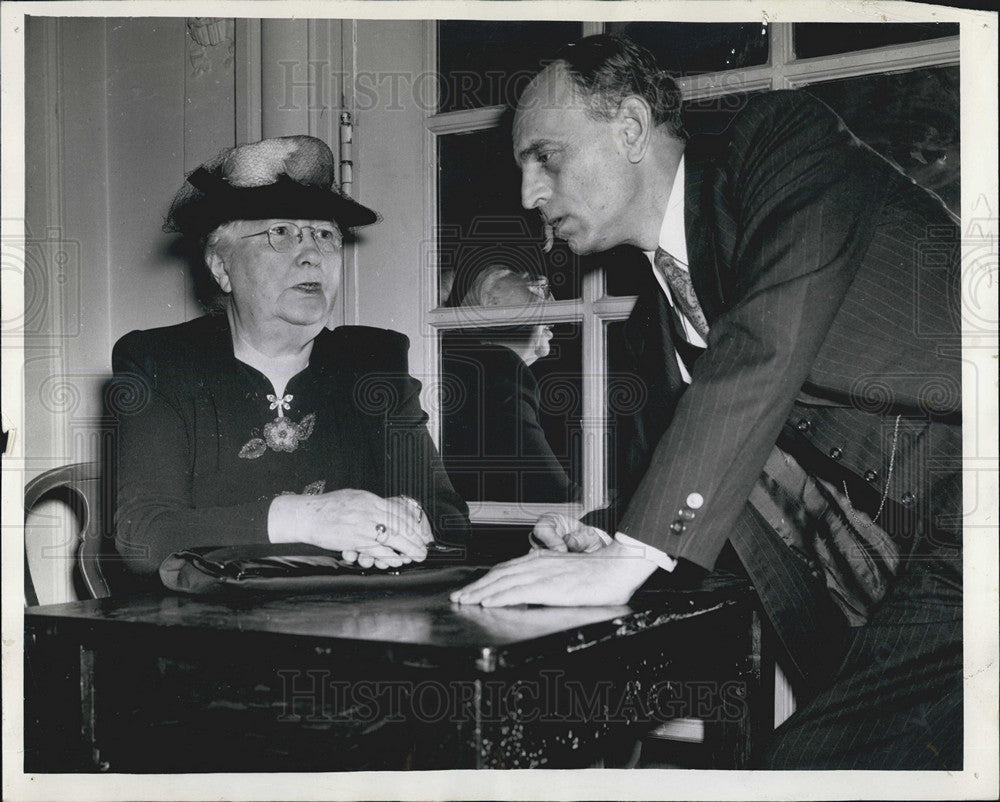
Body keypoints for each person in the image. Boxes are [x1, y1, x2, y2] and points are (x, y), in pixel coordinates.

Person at [452, 34, 962, 770]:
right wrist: (608, 535)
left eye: (546, 157)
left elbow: (765, 344)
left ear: (630, 127)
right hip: (904, 576)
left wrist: (638, 547)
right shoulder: (651, 322)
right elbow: (687, 467)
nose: (529, 193)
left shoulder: (782, 143)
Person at [110, 134, 469, 580]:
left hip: (351, 627)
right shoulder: (161, 362)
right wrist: (312, 518)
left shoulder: (372, 361)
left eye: (324, 235)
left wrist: (403, 520)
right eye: (281, 232)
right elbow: (144, 535)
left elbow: (448, 516)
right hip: (214, 634)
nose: (311, 255)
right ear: (222, 267)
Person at [441, 259, 580, 503]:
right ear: (492, 303)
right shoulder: (498, 368)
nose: (555, 304)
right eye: (538, 289)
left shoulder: (476, 372)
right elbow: (559, 494)